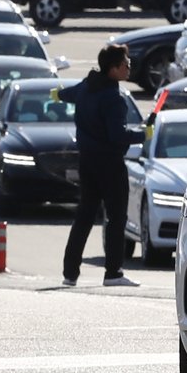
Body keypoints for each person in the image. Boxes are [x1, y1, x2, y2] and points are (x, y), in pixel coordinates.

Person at [59, 44, 144, 286]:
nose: (129, 68)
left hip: (87, 162)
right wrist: (143, 134)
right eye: (126, 65)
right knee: (116, 218)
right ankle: (113, 273)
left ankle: (70, 273)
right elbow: (117, 135)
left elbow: (68, 94)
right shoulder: (113, 98)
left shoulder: (87, 86)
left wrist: (58, 94)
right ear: (113, 69)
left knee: (84, 216)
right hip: (110, 163)